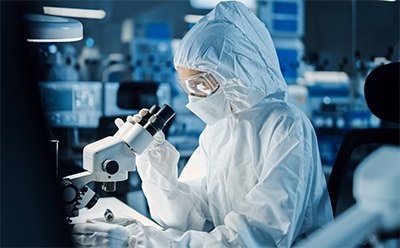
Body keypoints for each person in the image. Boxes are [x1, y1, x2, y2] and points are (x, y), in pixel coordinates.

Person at [73, 1, 333, 247]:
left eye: (200, 85)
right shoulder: (218, 130)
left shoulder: (287, 126)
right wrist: (155, 166)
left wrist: (137, 241)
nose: (193, 98)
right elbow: (186, 220)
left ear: (238, 74)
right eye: (187, 86)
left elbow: (258, 240)